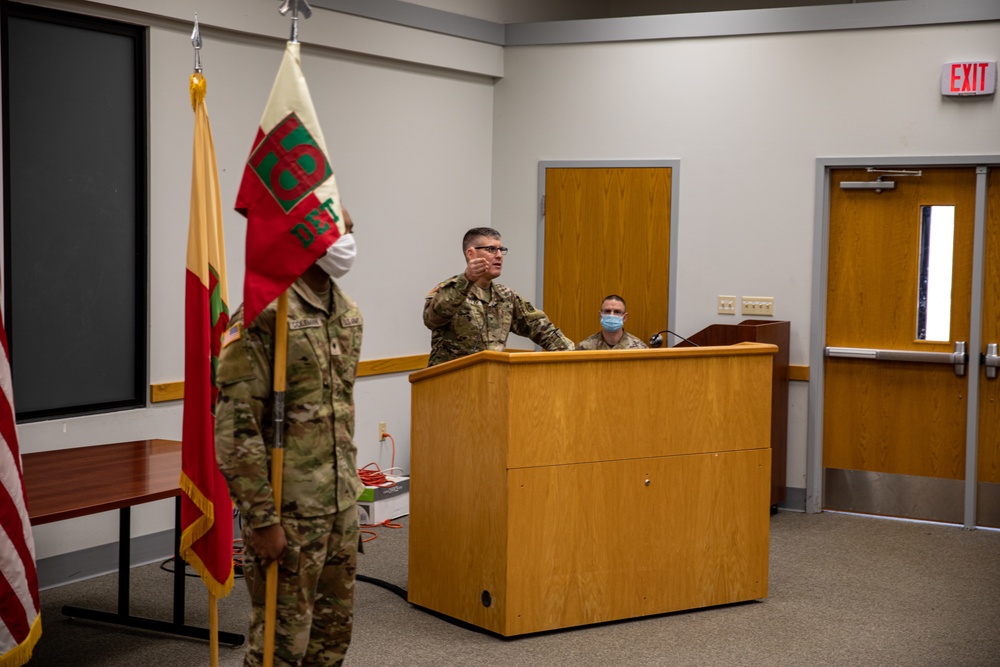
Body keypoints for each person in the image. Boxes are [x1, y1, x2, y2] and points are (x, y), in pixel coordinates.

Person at [215, 209, 362, 667]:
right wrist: (261, 519)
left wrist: (349, 503)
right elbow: (236, 428)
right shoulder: (265, 313)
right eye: (340, 230)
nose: (349, 240)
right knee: (281, 644)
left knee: (331, 639)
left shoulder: (347, 312)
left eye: (351, 231)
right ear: (305, 235)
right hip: (288, 511)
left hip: (339, 506)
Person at [423, 226, 574, 366]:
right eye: (491, 249)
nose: (499, 256)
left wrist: (575, 356)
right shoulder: (450, 291)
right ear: (471, 254)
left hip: (493, 381)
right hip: (451, 384)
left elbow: (542, 329)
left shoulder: (506, 296)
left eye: (501, 250)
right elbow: (432, 319)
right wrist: (467, 279)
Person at [576, 294, 649, 350]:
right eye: (607, 311)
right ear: (600, 315)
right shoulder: (584, 347)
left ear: (625, 317)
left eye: (617, 312)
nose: (611, 315)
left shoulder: (640, 348)